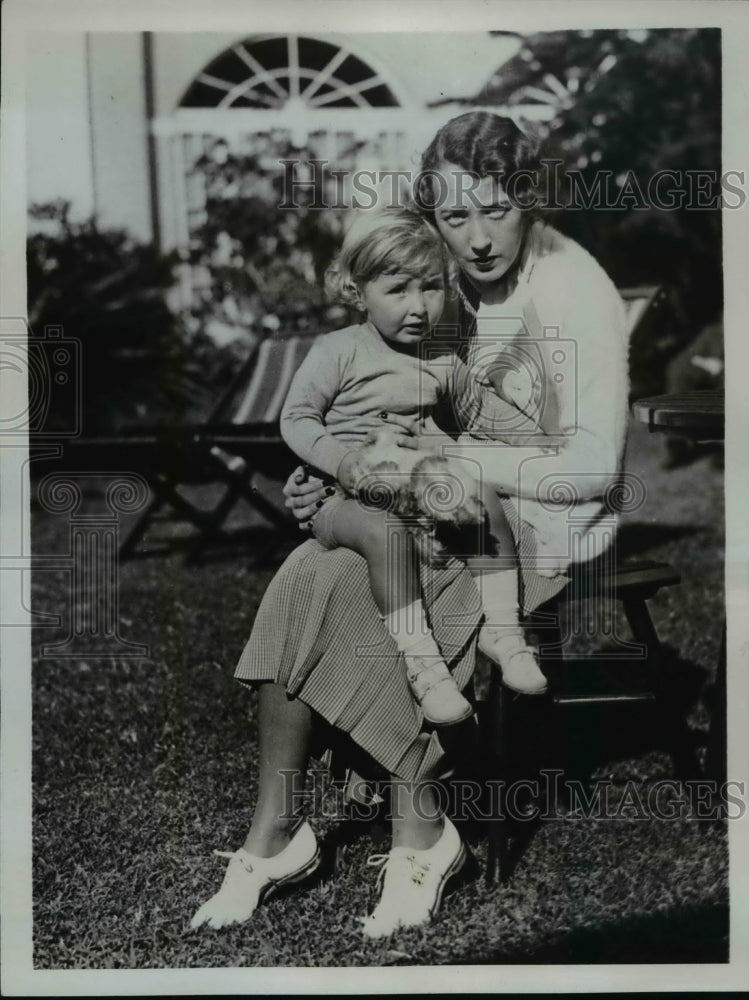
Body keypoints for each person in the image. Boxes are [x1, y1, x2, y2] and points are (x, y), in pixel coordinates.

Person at [190, 111, 628, 938]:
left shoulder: (576, 291)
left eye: (495, 209)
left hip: (538, 523)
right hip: (429, 505)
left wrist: (443, 467)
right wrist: (331, 478)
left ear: (529, 199)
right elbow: (381, 405)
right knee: (307, 571)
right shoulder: (443, 287)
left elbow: (589, 469)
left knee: (376, 595)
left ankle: (421, 831)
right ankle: (274, 831)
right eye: (455, 217)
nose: (478, 237)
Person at [279, 207, 547, 729]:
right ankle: (423, 667)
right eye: (398, 290)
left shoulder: (441, 358)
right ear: (358, 293)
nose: (419, 306)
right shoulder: (339, 351)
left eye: (431, 288)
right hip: (345, 496)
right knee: (383, 531)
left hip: (421, 485)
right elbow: (296, 417)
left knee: (481, 495)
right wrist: (342, 459)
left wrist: (548, 445)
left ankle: (503, 631)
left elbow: (489, 414)